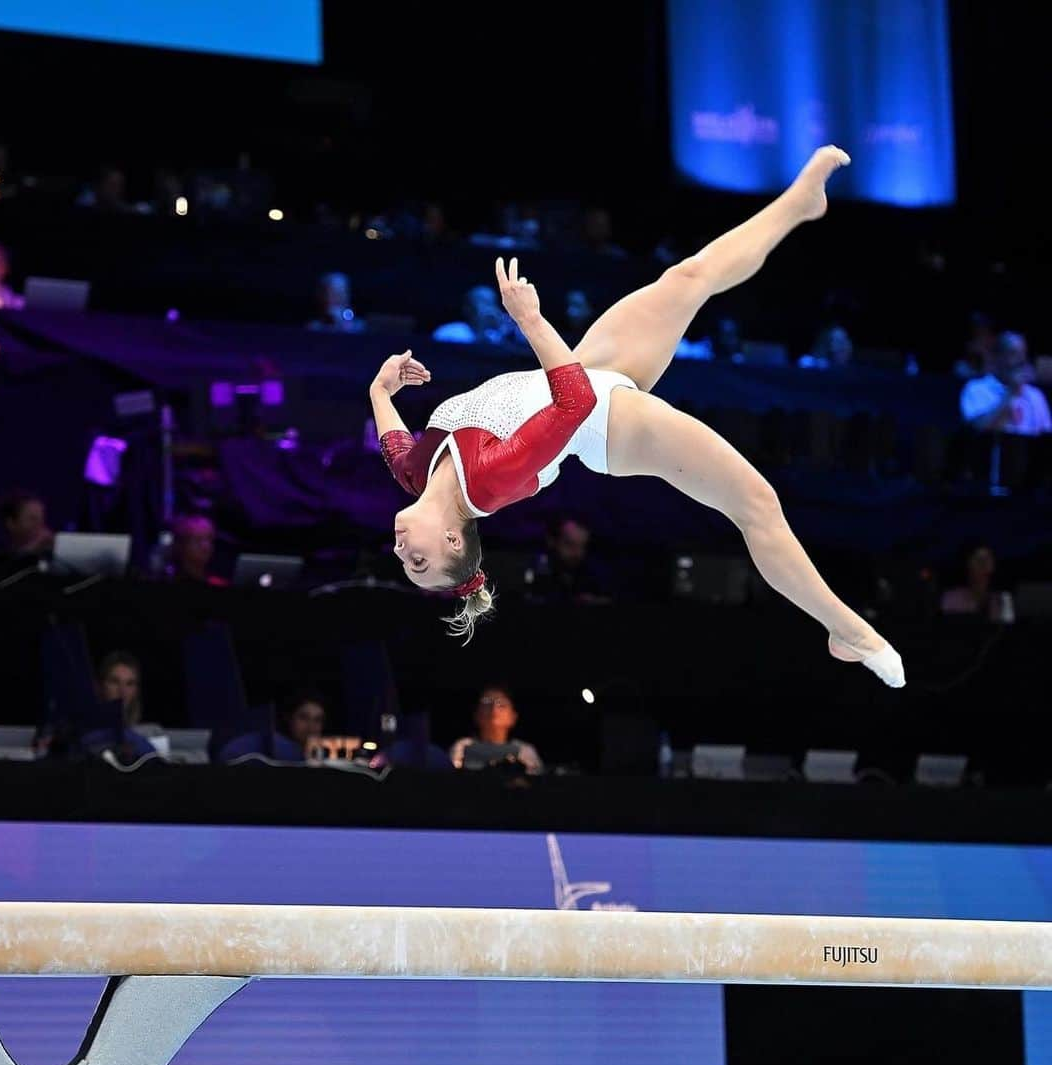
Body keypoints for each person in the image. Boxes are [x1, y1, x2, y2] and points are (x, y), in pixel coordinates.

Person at [372, 147, 904, 686]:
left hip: (589, 371)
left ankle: (799, 203)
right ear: (454, 542)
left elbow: (392, 438)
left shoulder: (415, 472)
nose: (400, 552)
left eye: (404, 563)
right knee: (756, 503)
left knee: (687, 278)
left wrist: (381, 388)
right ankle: (850, 631)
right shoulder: (488, 480)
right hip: (606, 422)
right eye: (417, 562)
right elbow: (574, 403)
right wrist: (531, 322)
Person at [960, 331, 1052, 435]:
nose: (1021, 361)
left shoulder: (1035, 395)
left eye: (1023, 354)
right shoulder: (976, 389)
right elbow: (980, 432)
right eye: (1013, 354)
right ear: (997, 358)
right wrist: (1011, 393)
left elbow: (1046, 440)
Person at [449, 684, 543, 775]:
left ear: (513, 717)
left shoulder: (525, 751)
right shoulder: (462, 746)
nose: (493, 708)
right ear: (476, 714)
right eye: (486, 702)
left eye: (502, 704)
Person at [940, 545, 1011, 622]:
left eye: (987, 558)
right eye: (977, 559)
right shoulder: (951, 598)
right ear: (967, 564)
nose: (983, 564)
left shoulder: (1003, 598)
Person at [0, 490, 54, 555]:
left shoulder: (52, 555)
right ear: (11, 524)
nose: (40, 525)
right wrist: (34, 546)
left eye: (42, 519)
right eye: (33, 519)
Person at [98, 651, 143, 727]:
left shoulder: (145, 733)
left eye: (129, 683)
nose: (122, 691)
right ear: (101, 686)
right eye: (115, 682)